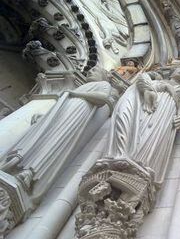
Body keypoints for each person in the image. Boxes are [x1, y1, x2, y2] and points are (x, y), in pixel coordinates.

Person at [0, 66, 119, 201]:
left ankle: (31, 172)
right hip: (64, 109)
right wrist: (45, 117)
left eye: (94, 70)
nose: (90, 71)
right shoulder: (82, 87)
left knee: (55, 140)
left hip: (78, 111)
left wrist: (75, 94)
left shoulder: (103, 84)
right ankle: (14, 165)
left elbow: (102, 98)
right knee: (43, 137)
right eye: (90, 70)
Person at [106, 63, 180, 184]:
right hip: (148, 108)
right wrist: (152, 78)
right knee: (139, 132)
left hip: (165, 113)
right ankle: (126, 157)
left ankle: (142, 166)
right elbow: (140, 83)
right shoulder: (154, 81)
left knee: (153, 137)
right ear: (171, 71)